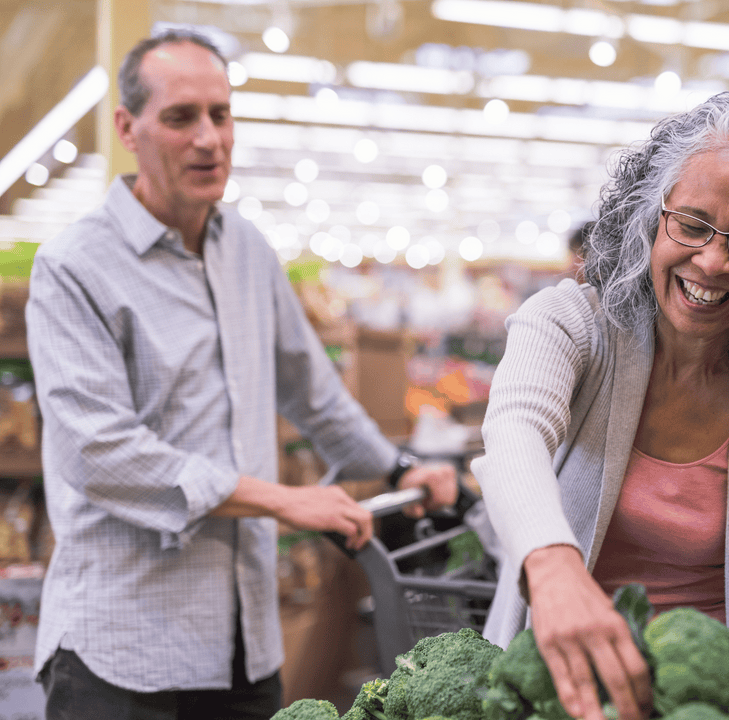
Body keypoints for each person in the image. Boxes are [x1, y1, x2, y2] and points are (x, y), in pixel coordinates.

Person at [25, 30, 456, 720]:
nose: (209, 138)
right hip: (121, 652)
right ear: (127, 129)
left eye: (221, 115)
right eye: (180, 117)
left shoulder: (248, 251)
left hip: (241, 649)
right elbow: (98, 454)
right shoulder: (74, 267)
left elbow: (313, 392)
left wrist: (400, 466)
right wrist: (282, 499)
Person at [471, 92, 729, 720]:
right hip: (560, 686)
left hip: (710, 699)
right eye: (692, 224)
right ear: (649, 218)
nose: (712, 260)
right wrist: (552, 566)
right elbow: (514, 435)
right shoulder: (570, 325)